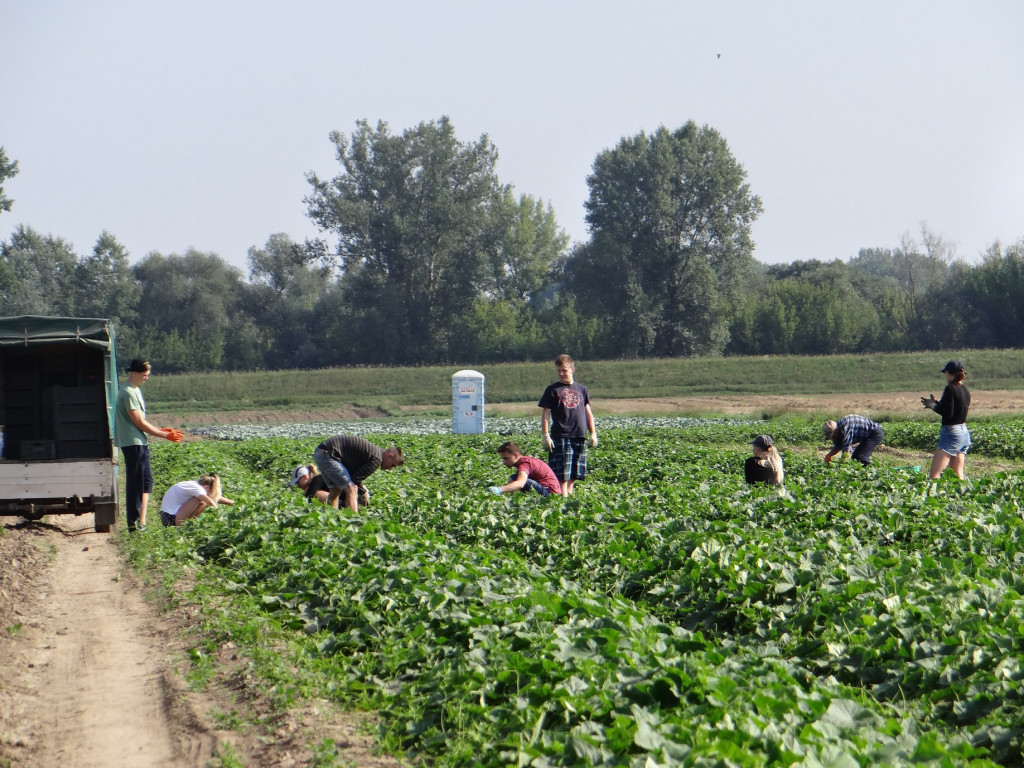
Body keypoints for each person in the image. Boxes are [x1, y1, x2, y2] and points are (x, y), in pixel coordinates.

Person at [113, 358, 182, 532]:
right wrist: (164, 435)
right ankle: (133, 525)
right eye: (144, 374)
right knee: (136, 484)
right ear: (134, 373)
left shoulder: (134, 390)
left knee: (146, 482)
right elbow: (139, 422)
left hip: (139, 441)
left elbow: (140, 422)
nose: (147, 377)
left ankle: (141, 522)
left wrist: (160, 429)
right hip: (133, 442)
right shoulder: (128, 392)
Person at [538, 354, 597, 497]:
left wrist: (593, 433)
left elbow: (588, 412)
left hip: (579, 435)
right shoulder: (552, 390)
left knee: (574, 473)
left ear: (572, 369)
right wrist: (545, 435)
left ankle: (568, 497)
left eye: (564, 370)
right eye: (559, 371)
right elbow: (546, 413)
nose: (561, 373)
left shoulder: (582, 389)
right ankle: (563, 500)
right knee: (562, 473)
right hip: (561, 435)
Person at [313, 434, 403, 511]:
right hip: (328, 455)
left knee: (335, 490)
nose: (390, 469)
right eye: (393, 465)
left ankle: (330, 516)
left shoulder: (376, 453)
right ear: (389, 455)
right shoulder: (377, 459)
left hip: (321, 452)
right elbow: (355, 480)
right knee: (351, 488)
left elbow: (354, 476)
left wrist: (362, 490)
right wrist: (363, 493)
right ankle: (353, 521)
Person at [921, 359, 971, 480]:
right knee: (957, 477)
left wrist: (933, 405)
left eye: (946, 373)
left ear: (949, 373)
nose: (945, 376)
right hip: (963, 433)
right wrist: (937, 404)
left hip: (951, 433)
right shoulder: (965, 390)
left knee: (934, 476)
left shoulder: (950, 389)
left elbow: (948, 413)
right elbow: (954, 409)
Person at [488, 441, 562, 497]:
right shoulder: (526, 461)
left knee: (515, 479)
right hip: (549, 490)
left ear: (516, 455)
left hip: (550, 493)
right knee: (514, 478)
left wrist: (499, 489)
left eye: (506, 458)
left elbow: (520, 483)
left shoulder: (524, 464)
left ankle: (514, 503)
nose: (504, 462)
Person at [159, 473, 234, 527]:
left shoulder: (195, 485)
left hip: (169, 516)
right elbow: (210, 502)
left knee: (203, 499)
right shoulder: (198, 489)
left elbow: (216, 497)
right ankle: (189, 526)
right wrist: (218, 515)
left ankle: (190, 525)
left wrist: (232, 503)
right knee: (202, 501)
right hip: (169, 518)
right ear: (207, 486)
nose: (210, 493)